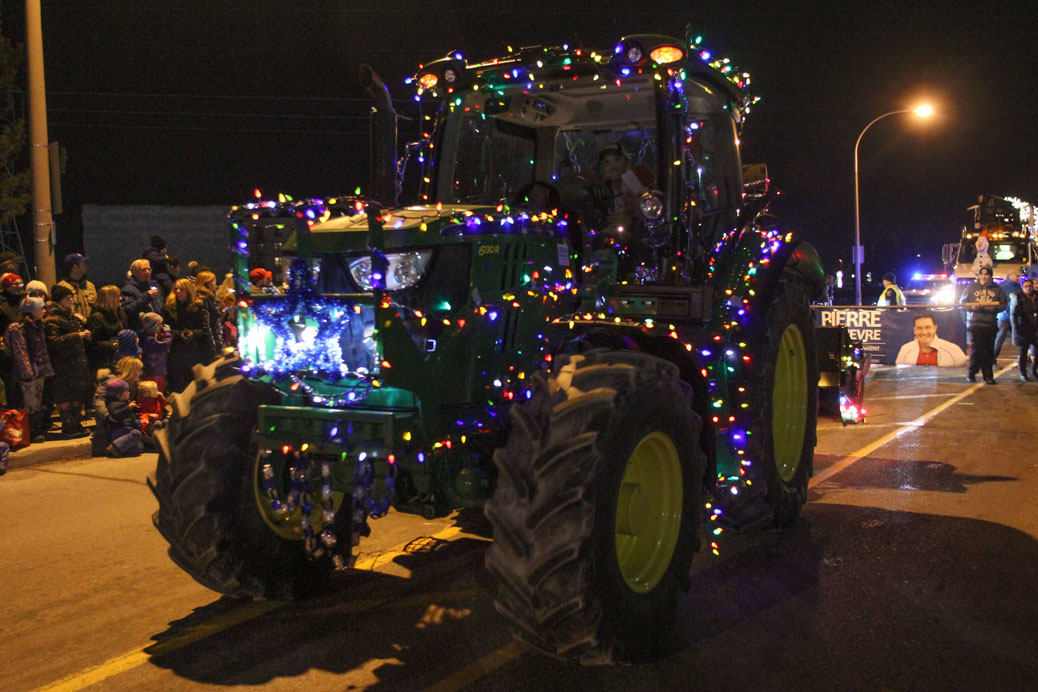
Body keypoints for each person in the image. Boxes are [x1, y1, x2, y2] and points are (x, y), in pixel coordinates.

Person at [44, 284, 92, 438]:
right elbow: (54, 342)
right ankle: (68, 427)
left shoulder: (73, 317)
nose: (71, 300)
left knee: (77, 396)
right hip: (63, 364)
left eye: (71, 297)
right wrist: (77, 336)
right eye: (67, 298)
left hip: (77, 364)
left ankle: (77, 424)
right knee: (65, 397)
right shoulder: (53, 320)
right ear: (59, 301)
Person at [6, 296, 55, 442]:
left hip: (40, 369)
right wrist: (27, 371)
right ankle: (31, 432)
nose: (44, 311)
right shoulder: (18, 328)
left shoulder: (38, 326)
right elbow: (21, 351)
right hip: (30, 372)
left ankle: (37, 429)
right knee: (30, 403)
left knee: (38, 402)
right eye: (41, 308)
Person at [162, 277, 214, 393]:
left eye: (182, 289)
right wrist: (178, 334)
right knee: (177, 383)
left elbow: (205, 329)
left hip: (194, 350)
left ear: (188, 290)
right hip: (175, 351)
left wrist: (193, 333)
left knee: (194, 382)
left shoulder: (198, 307)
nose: (178, 292)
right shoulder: (168, 308)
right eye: (176, 289)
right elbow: (165, 328)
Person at [960, 266, 1007, 384]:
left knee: (989, 350)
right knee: (978, 348)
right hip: (975, 323)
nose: (984, 277)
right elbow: (962, 303)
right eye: (982, 275)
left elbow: (1003, 304)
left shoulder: (997, 289)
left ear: (990, 276)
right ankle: (973, 372)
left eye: (987, 275)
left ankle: (987, 375)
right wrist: (971, 307)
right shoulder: (971, 288)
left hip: (990, 324)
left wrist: (992, 308)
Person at [895, 311, 967, 366]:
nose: (924, 332)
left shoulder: (953, 350)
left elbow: (964, 377)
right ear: (914, 330)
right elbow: (900, 377)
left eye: (928, 327)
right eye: (919, 328)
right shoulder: (905, 349)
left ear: (935, 328)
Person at [85, 285, 129, 373]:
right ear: (110, 299)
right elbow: (92, 343)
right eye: (117, 296)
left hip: (121, 358)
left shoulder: (120, 313)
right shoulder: (97, 317)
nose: (120, 298)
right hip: (104, 361)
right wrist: (113, 345)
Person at [102, 378, 143, 457]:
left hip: (125, 431)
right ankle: (115, 447)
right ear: (119, 395)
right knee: (136, 434)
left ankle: (121, 450)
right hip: (117, 431)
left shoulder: (124, 402)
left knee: (139, 448)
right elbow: (117, 414)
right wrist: (129, 407)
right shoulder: (113, 404)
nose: (129, 393)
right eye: (126, 391)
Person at [121, 259, 163, 331]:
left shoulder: (153, 286)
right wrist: (146, 297)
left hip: (157, 328)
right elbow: (128, 310)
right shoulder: (127, 290)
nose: (147, 272)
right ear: (134, 272)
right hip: (141, 331)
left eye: (149, 269)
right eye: (143, 270)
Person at [1010, 278, 1038, 381]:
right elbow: (1013, 314)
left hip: (1035, 329)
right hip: (1023, 328)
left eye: (1029, 286)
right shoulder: (1018, 297)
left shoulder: (1035, 296)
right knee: (1023, 352)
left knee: (1036, 351)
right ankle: (1023, 373)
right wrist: (1016, 328)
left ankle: (1034, 370)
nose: (1028, 288)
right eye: (1025, 286)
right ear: (1022, 287)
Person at [55, 253, 97, 322]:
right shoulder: (62, 287)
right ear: (75, 267)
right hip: (73, 327)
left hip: (90, 328)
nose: (86, 266)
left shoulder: (90, 286)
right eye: (83, 263)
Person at [194, 270, 224, 362]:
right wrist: (213, 348)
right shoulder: (204, 300)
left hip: (213, 341)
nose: (215, 284)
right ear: (207, 283)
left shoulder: (210, 298)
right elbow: (206, 325)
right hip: (209, 346)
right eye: (214, 281)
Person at [139, 311, 171, 392]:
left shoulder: (146, 336)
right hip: (156, 372)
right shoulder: (150, 340)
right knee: (157, 392)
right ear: (154, 326)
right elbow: (165, 345)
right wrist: (167, 333)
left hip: (153, 371)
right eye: (160, 324)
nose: (162, 326)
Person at [994, 271, 1022, 357]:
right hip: (1005, 316)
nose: (1018, 277)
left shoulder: (1017, 286)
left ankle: (1023, 357)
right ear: (1010, 275)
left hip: (1008, 315)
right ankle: (993, 358)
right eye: (1016, 275)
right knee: (1001, 337)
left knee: (1016, 337)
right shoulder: (1005, 286)